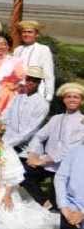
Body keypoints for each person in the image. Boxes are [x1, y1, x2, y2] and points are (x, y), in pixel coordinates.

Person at [0, 114, 58, 229]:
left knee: (8, 217)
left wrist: (7, 195)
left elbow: (13, 173)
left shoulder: (6, 149)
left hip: (2, 189)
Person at [24, 82, 84, 210]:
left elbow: (69, 149)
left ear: (81, 101)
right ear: (64, 99)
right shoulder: (56, 118)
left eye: (76, 97)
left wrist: (42, 160)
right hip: (48, 164)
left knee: (59, 204)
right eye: (68, 96)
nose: (72, 99)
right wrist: (33, 154)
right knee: (22, 174)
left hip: (67, 168)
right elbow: (39, 136)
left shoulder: (82, 121)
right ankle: (44, 202)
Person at [1, 66, 50, 154]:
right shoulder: (18, 97)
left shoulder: (42, 104)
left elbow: (31, 130)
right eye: (28, 79)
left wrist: (8, 144)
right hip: (5, 139)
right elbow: (6, 114)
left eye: (34, 80)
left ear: (39, 82)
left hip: (22, 147)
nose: (30, 82)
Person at [53, 145, 84, 229]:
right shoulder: (74, 151)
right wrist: (64, 207)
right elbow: (60, 178)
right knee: (68, 228)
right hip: (72, 203)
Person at [13, 20, 55, 102]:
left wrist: (49, 94)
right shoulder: (17, 50)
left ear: (36, 34)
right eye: (24, 32)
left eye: (30, 32)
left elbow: (48, 73)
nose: (26, 34)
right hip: (18, 90)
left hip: (37, 90)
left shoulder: (43, 49)